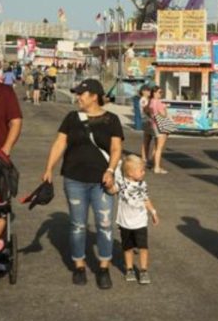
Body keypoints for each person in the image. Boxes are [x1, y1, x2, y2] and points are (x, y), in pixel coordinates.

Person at [42, 78, 124, 289]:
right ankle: (79, 265)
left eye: (81, 94)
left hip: (102, 181)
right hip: (74, 178)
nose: (77, 97)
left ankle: (104, 267)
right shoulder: (72, 118)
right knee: (78, 224)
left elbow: (116, 149)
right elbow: (60, 142)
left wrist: (110, 170)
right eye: (77, 93)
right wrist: (49, 168)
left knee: (104, 225)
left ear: (94, 96)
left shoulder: (111, 120)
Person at [112, 154, 159, 284]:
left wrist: (153, 212)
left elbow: (145, 199)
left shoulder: (142, 184)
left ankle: (143, 270)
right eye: (141, 170)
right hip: (125, 222)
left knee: (143, 247)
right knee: (128, 248)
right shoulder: (121, 184)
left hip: (140, 222)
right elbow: (111, 190)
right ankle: (129, 269)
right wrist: (107, 183)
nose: (144, 172)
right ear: (130, 173)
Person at [147, 85, 170, 174]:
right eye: (160, 92)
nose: (161, 94)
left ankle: (154, 165)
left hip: (154, 124)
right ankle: (157, 167)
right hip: (161, 125)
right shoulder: (159, 103)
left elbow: (149, 112)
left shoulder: (151, 102)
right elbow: (163, 115)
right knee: (159, 148)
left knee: (156, 146)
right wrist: (165, 108)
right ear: (155, 93)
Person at [138, 85, 154, 166]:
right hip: (147, 120)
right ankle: (144, 158)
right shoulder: (143, 100)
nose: (149, 92)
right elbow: (146, 110)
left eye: (150, 91)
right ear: (143, 91)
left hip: (148, 120)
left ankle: (145, 157)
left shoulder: (146, 99)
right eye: (148, 91)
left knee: (148, 140)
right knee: (146, 140)